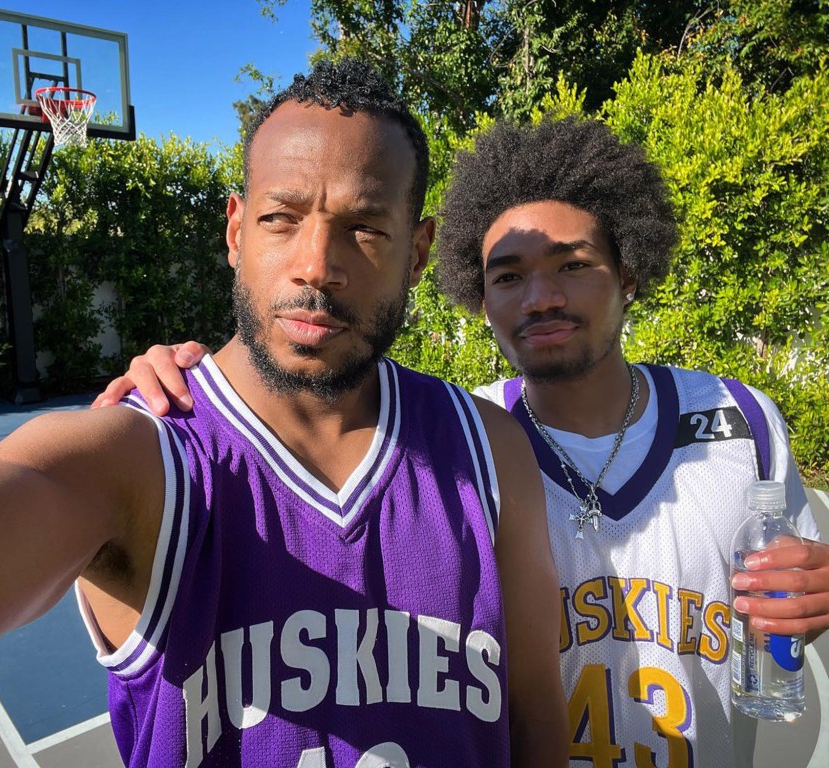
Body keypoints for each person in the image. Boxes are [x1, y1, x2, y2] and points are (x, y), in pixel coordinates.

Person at [0, 60, 568, 767]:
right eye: (281, 217)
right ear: (236, 229)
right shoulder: (140, 458)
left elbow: (535, 717)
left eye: (365, 228)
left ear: (419, 249)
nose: (317, 265)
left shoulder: (490, 450)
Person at [95, 117, 829, 766]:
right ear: (478, 297)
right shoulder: (458, 448)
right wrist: (179, 380)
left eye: (574, 265)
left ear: (629, 270)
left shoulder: (740, 422)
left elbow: (792, 609)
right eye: (508, 276)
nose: (540, 297)